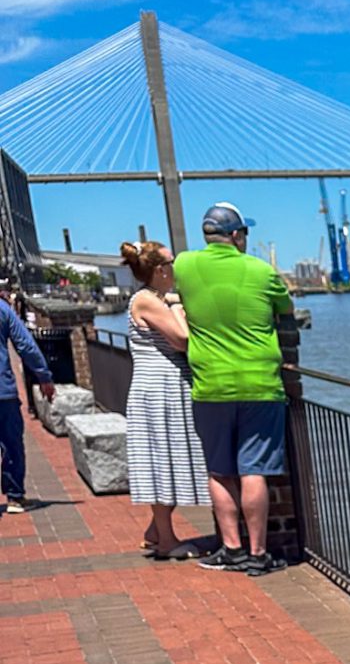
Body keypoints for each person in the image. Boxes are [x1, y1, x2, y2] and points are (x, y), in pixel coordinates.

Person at [173, 201, 293, 575]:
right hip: (260, 383)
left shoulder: (184, 265)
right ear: (237, 235)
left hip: (210, 384)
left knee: (220, 472)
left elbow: (178, 295)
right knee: (253, 470)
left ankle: (231, 549)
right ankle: (258, 554)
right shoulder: (262, 270)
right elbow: (286, 308)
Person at [119, 240, 208, 558]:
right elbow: (182, 340)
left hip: (161, 388)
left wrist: (176, 301)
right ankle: (167, 542)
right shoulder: (147, 300)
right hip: (159, 390)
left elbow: (170, 302)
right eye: (172, 262)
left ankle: (157, 531)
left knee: (169, 458)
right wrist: (180, 311)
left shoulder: (150, 297)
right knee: (162, 460)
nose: (176, 267)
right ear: (160, 270)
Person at [0, 285, 55, 513]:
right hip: (2, 391)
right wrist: (44, 377)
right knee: (11, 443)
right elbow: (25, 345)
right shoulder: (3, 309)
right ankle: (14, 497)